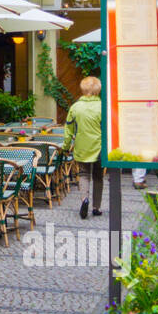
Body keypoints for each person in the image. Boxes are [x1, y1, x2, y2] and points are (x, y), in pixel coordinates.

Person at [65, 76, 103, 219]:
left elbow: (68, 129)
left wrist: (66, 146)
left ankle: (84, 199)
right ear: (98, 90)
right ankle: (96, 207)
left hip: (82, 147)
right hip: (99, 147)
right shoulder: (102, 107)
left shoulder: (75, 107)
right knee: (98, 176)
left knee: (84, 174)